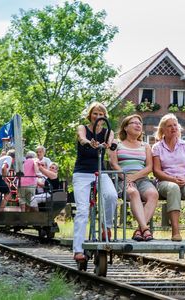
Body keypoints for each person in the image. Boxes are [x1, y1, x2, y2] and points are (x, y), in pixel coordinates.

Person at [72, 102, 118, 262]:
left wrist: (110, 144)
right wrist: (87, 142)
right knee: (83, 211)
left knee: (111, 196)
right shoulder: (83, 128)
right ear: (90, 115)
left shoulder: (107, 131)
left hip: (100, 171)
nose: (98, 117)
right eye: (95, 114)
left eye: (101, 114)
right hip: (82, 173)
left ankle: (107, 227)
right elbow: (82, 138)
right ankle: (78, 249)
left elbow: (112, 140)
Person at [109, 114, 158, 241]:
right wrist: (126, 178)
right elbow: (113, 163)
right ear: (125, 127)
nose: (138, 125)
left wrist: (134, 177)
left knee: (153, 194)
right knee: (133, 193)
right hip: (122, 179)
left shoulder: (145, 145)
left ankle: (139, 230)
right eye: (134, 123)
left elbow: (149, 167)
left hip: (142, 179)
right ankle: (145, 229)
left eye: (140, 123)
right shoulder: (116, 143)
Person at [152, 113, 185, 242]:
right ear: (163, 130)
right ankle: (175, 232)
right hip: (165, 182)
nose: (173, 128)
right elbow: (156, 171)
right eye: (169, 126)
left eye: (175, 125)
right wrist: (172, 179)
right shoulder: (156, 147)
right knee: (173, 188)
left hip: (184, 179)